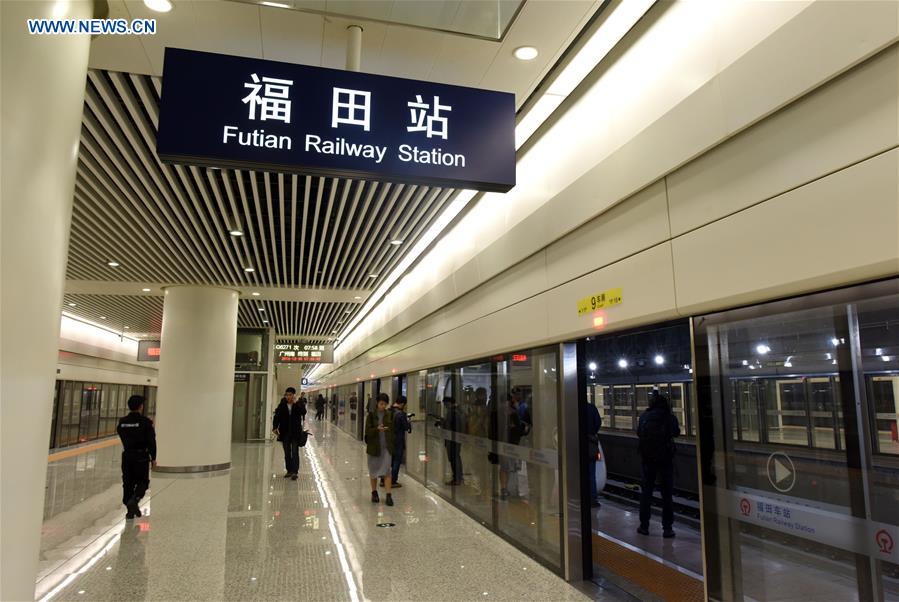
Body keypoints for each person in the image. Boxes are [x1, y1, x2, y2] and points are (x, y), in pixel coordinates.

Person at [637, 390, 680, 538]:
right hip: (666, 459)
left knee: (646, 493)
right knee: (667, 495)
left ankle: (644, 526)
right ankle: (667, 528)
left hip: (648, 459)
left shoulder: (644, 416)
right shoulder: (670, 417)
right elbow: (676, 432)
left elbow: (639, 433)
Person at [117, 394, 156, 520]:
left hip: (127, 455)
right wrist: (153, 458)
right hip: (141, 456)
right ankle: (134, 500)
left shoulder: (122, 422)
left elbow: (121, 435)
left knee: (127, 482)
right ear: (140, 406)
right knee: (142, 482)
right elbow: (151, 441)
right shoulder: (146, 422)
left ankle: (130, 510)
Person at [364, 393, 395, 506]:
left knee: (387, 471)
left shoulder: (389, 415)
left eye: (385, 404)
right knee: (373, 472)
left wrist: (389, 431)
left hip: (386, 448)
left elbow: (393, 430)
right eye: (381, 403)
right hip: (374, 448)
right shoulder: (371, 416)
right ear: (377, 403)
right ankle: (374, 492)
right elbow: (367, 431)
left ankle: (388, 495)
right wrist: (377, 429)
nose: (383, 406)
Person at [498, 392, 527, 500]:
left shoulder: (497, 412)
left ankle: (505, 489)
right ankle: (511, 490)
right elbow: (520, 430)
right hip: (512, 444)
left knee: (504, 467)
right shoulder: (513, 413)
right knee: (511, 467)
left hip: (502, 443)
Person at [273, 387, 306, 479]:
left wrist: (296, 403)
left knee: (295, 452)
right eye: (286, 395)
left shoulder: (298, 403)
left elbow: (304, 412)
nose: (288, 397)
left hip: (295, 433)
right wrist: (275, 427)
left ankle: (295, 472)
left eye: (290, 395)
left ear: (294, 395)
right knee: (287, 452)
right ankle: (289, 470)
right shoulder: (282, 404)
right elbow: (277, 416)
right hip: (285, 432)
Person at [442, 396, 464, 486]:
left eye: (445, 404)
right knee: (455, 458)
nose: (445, 406)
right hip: (455, 439)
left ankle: (457, 478)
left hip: (453, 439)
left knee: (454, 458)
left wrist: (443, 423)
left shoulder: (453, 413)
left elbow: (450, 427)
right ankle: (458, 477)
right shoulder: (458, 411)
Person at [390, 396, 411, 487]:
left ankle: (384, 480)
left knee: (388, 460)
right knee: (396, 460)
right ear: (402, 404)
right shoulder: (400, 414)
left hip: (388, 439)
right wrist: (408, 421)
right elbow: (406, 427)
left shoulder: (389, 411)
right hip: (398, 440)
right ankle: (393, 481)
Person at [586, 399, 603, 508]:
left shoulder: (572, 407)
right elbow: (598, 423)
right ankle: (592, 499)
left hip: (575, 445)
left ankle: (578, 496)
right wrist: (592, 433)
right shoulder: (591, 408)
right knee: (591, 474)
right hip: (591, 444)